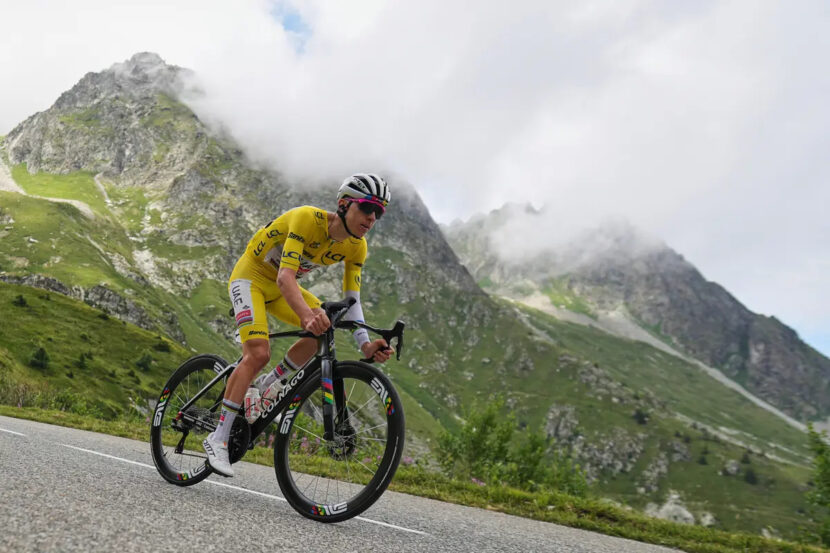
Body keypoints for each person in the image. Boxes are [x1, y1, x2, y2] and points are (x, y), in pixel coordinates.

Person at [202, 174, 395, 477]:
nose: (372, 218)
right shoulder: (307, 219)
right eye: (367, 207)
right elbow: (285, 276)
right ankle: (218, 438)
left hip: (282, 289)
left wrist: (366, 344)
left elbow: (352, 300)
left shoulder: (357, 247)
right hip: (251, 278)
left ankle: (267, 384)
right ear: (345, 204)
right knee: (258, 353)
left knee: (326, 326)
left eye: (379, 212)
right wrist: (306, 316)